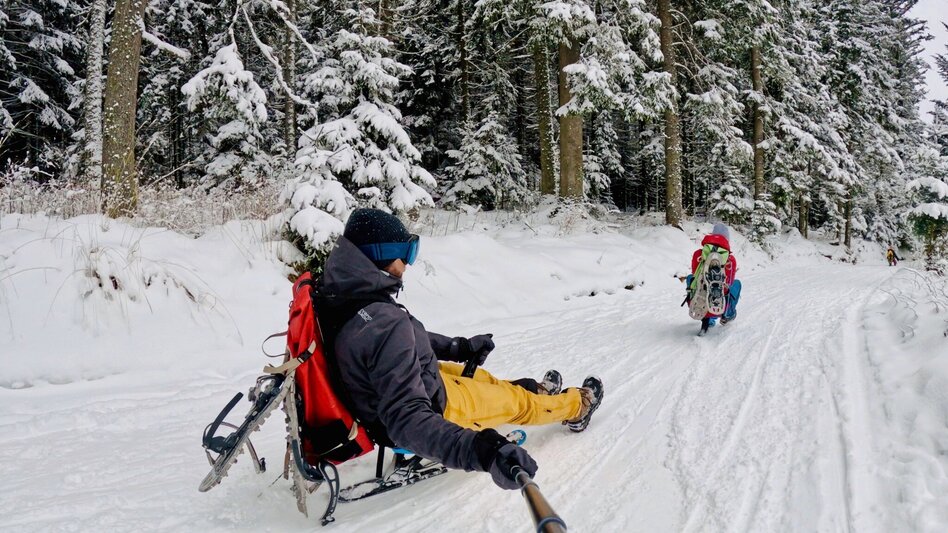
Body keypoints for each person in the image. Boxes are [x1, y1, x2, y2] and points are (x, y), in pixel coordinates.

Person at [314, 208, 604, 490]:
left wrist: (457, 347)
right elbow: (407, 419)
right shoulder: (383, 321)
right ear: (381, 255)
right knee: (516, 404)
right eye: (406, 254)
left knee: (484, 379)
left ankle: (537, 391)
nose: (407, 265)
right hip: (434, 404)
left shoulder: (343, 292)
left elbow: (397, 340)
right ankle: (577, 407)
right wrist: (481, 451)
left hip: (409, 378)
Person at [686, 223, 742, 331]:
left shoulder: (698, 254)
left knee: (690, 277)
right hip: (720, 306)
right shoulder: (730, 260)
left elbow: (695, 275)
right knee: (736, 284)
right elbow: (728, 284)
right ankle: (727, 315)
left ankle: (708, 319)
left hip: (698, 304)